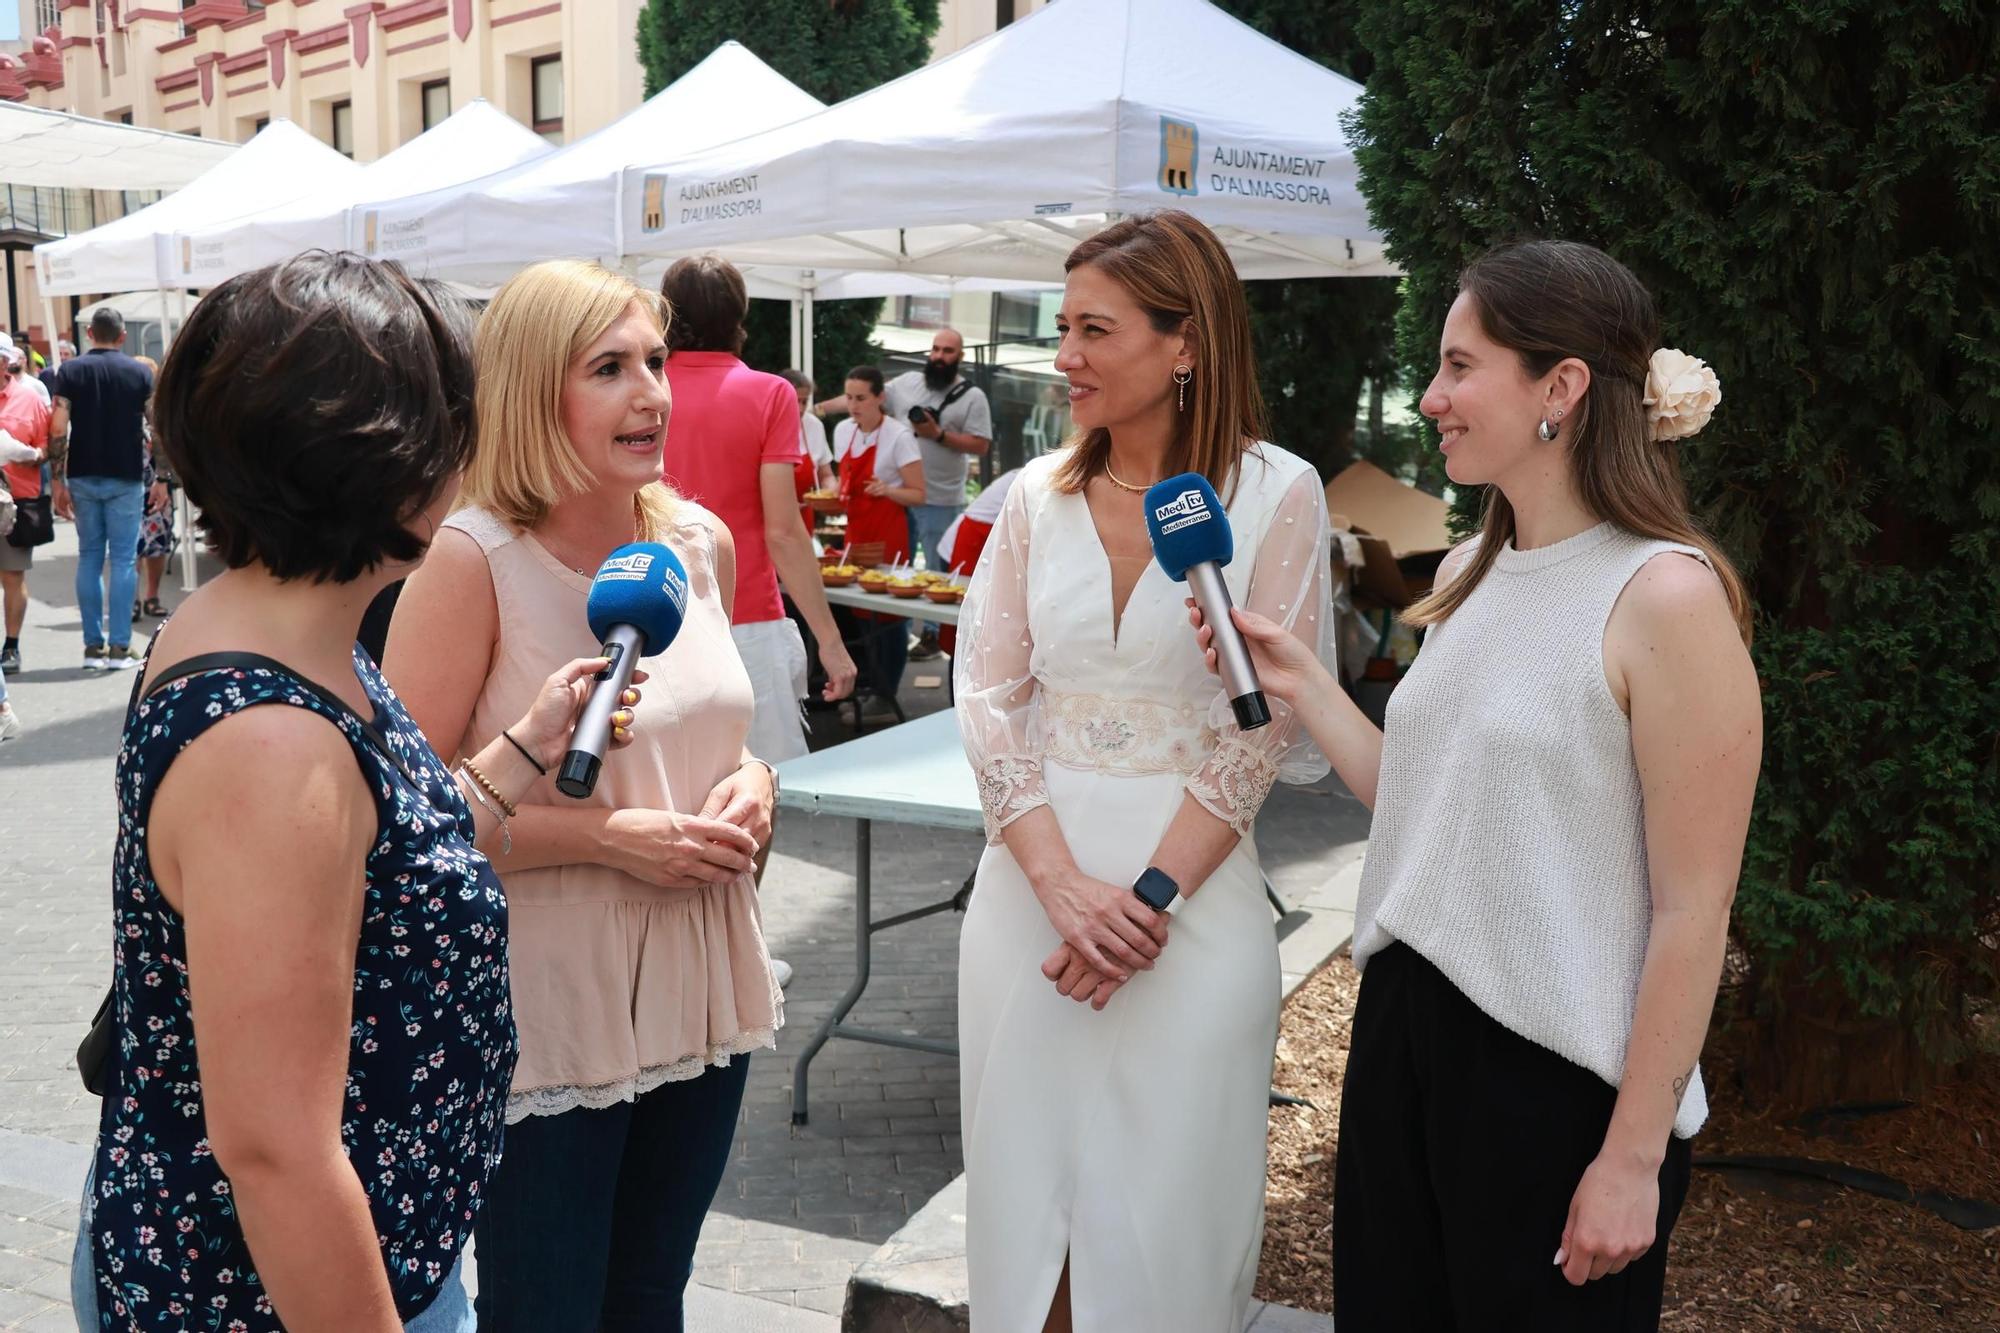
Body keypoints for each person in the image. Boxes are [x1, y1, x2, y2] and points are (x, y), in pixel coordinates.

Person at [1192, 240, 1759, 1331]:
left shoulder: (1665, 599)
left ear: (1560, 387)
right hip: (1400, 1042)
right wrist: (1303, 677)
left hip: (1550, 1089)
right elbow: (1423, 806)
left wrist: (1630, 1158)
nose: (1428, 395)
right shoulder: (1464, 571)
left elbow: (1694, 909)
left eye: (1458, 367)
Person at [72, 251, 634, 1333]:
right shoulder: (272, 741)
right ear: (385, 456)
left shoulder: (291, 625)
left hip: (358, 1259)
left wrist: (521, 747)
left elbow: (377, 867)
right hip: (274, 1296)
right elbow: (278, 1150)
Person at [384, 259, 784, 1333]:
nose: (650, 392)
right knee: (549, 1311)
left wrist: (754, 788)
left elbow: (725, 734)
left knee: (650, 1298)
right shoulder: (470, 560)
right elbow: (405, 833)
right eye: (608, 368)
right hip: (547, 1004)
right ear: (527, 392)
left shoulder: (692, 541)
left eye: (653, 361)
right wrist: (605, 838)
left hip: (700, 980)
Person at [953, 210, 1336, 1332]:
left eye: (1092, 329)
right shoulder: (1033, 497)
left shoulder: (1278, 492)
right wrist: (1061, 888)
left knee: (1167, 1225)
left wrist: (1147, 900)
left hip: (1192, 917)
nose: (1062, 354)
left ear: (1184, 343)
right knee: (1026, 1218)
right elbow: (986, 700)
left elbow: (1262, 729)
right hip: (1028, 904)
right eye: (1060, 326)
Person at [658, 255, 856, 768]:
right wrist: (830, 642)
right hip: (745, 613)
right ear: (739, 313)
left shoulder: (642, 390)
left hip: (650, 612)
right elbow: (784, 531)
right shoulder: (770, 393)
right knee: (756, 787)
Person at [50, 306, 154, 670]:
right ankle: (120, 647)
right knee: (124, 560)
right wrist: (166, 478)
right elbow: (157, 430)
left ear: (90, 334)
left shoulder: (70, 371)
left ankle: (93, 647)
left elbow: (58, 427)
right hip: (126, 475)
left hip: (82, 474)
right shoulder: (140, 372)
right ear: (123, 336)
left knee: (90, 557)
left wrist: (56, 479)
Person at [891, 329, 992, 659]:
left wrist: (938, 435)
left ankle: (934, 637)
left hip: (941, 496)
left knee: (938, 569)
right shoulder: (907, 382)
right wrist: (815, 408)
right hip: (901, 493)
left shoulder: (973, 396)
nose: (939, 356)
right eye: (935, 348)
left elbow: (981, 444)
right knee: (900, 566)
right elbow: (873, 395)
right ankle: (901, 632)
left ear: (959, 356)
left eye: (948, 350)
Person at [833, 364, 925, 712]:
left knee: (889, 616)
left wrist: (888, 489)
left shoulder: (899, 436)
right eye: (850, 398)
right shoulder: (844, 431)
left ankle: (887, 694)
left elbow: (919, 493)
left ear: (880, 397)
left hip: (889, 531)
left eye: (861, 398)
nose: (854, 405)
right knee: (861, 610)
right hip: (856, 529)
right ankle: (870, 686)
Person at [0, 338, 51, 676]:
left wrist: (27, 454)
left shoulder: (30, 398)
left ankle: (12, 645)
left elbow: (47, 448)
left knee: (11, 576)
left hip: (15, 501)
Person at [130, 354, 176, 622]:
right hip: (130, 485)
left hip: (157, 485)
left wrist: (165, 478)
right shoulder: (125, 410)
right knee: (132, 545)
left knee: (158, 544)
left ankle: (152, 596)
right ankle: (133, 600)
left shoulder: (160, 412)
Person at [780, 367, 835, 534]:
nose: (801, 408)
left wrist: (830, 492)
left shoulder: (814, 426)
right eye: (796, 401)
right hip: (773, 517)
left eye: (805, 401)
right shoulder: (764, 424)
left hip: (804, 516)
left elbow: (826, 474)